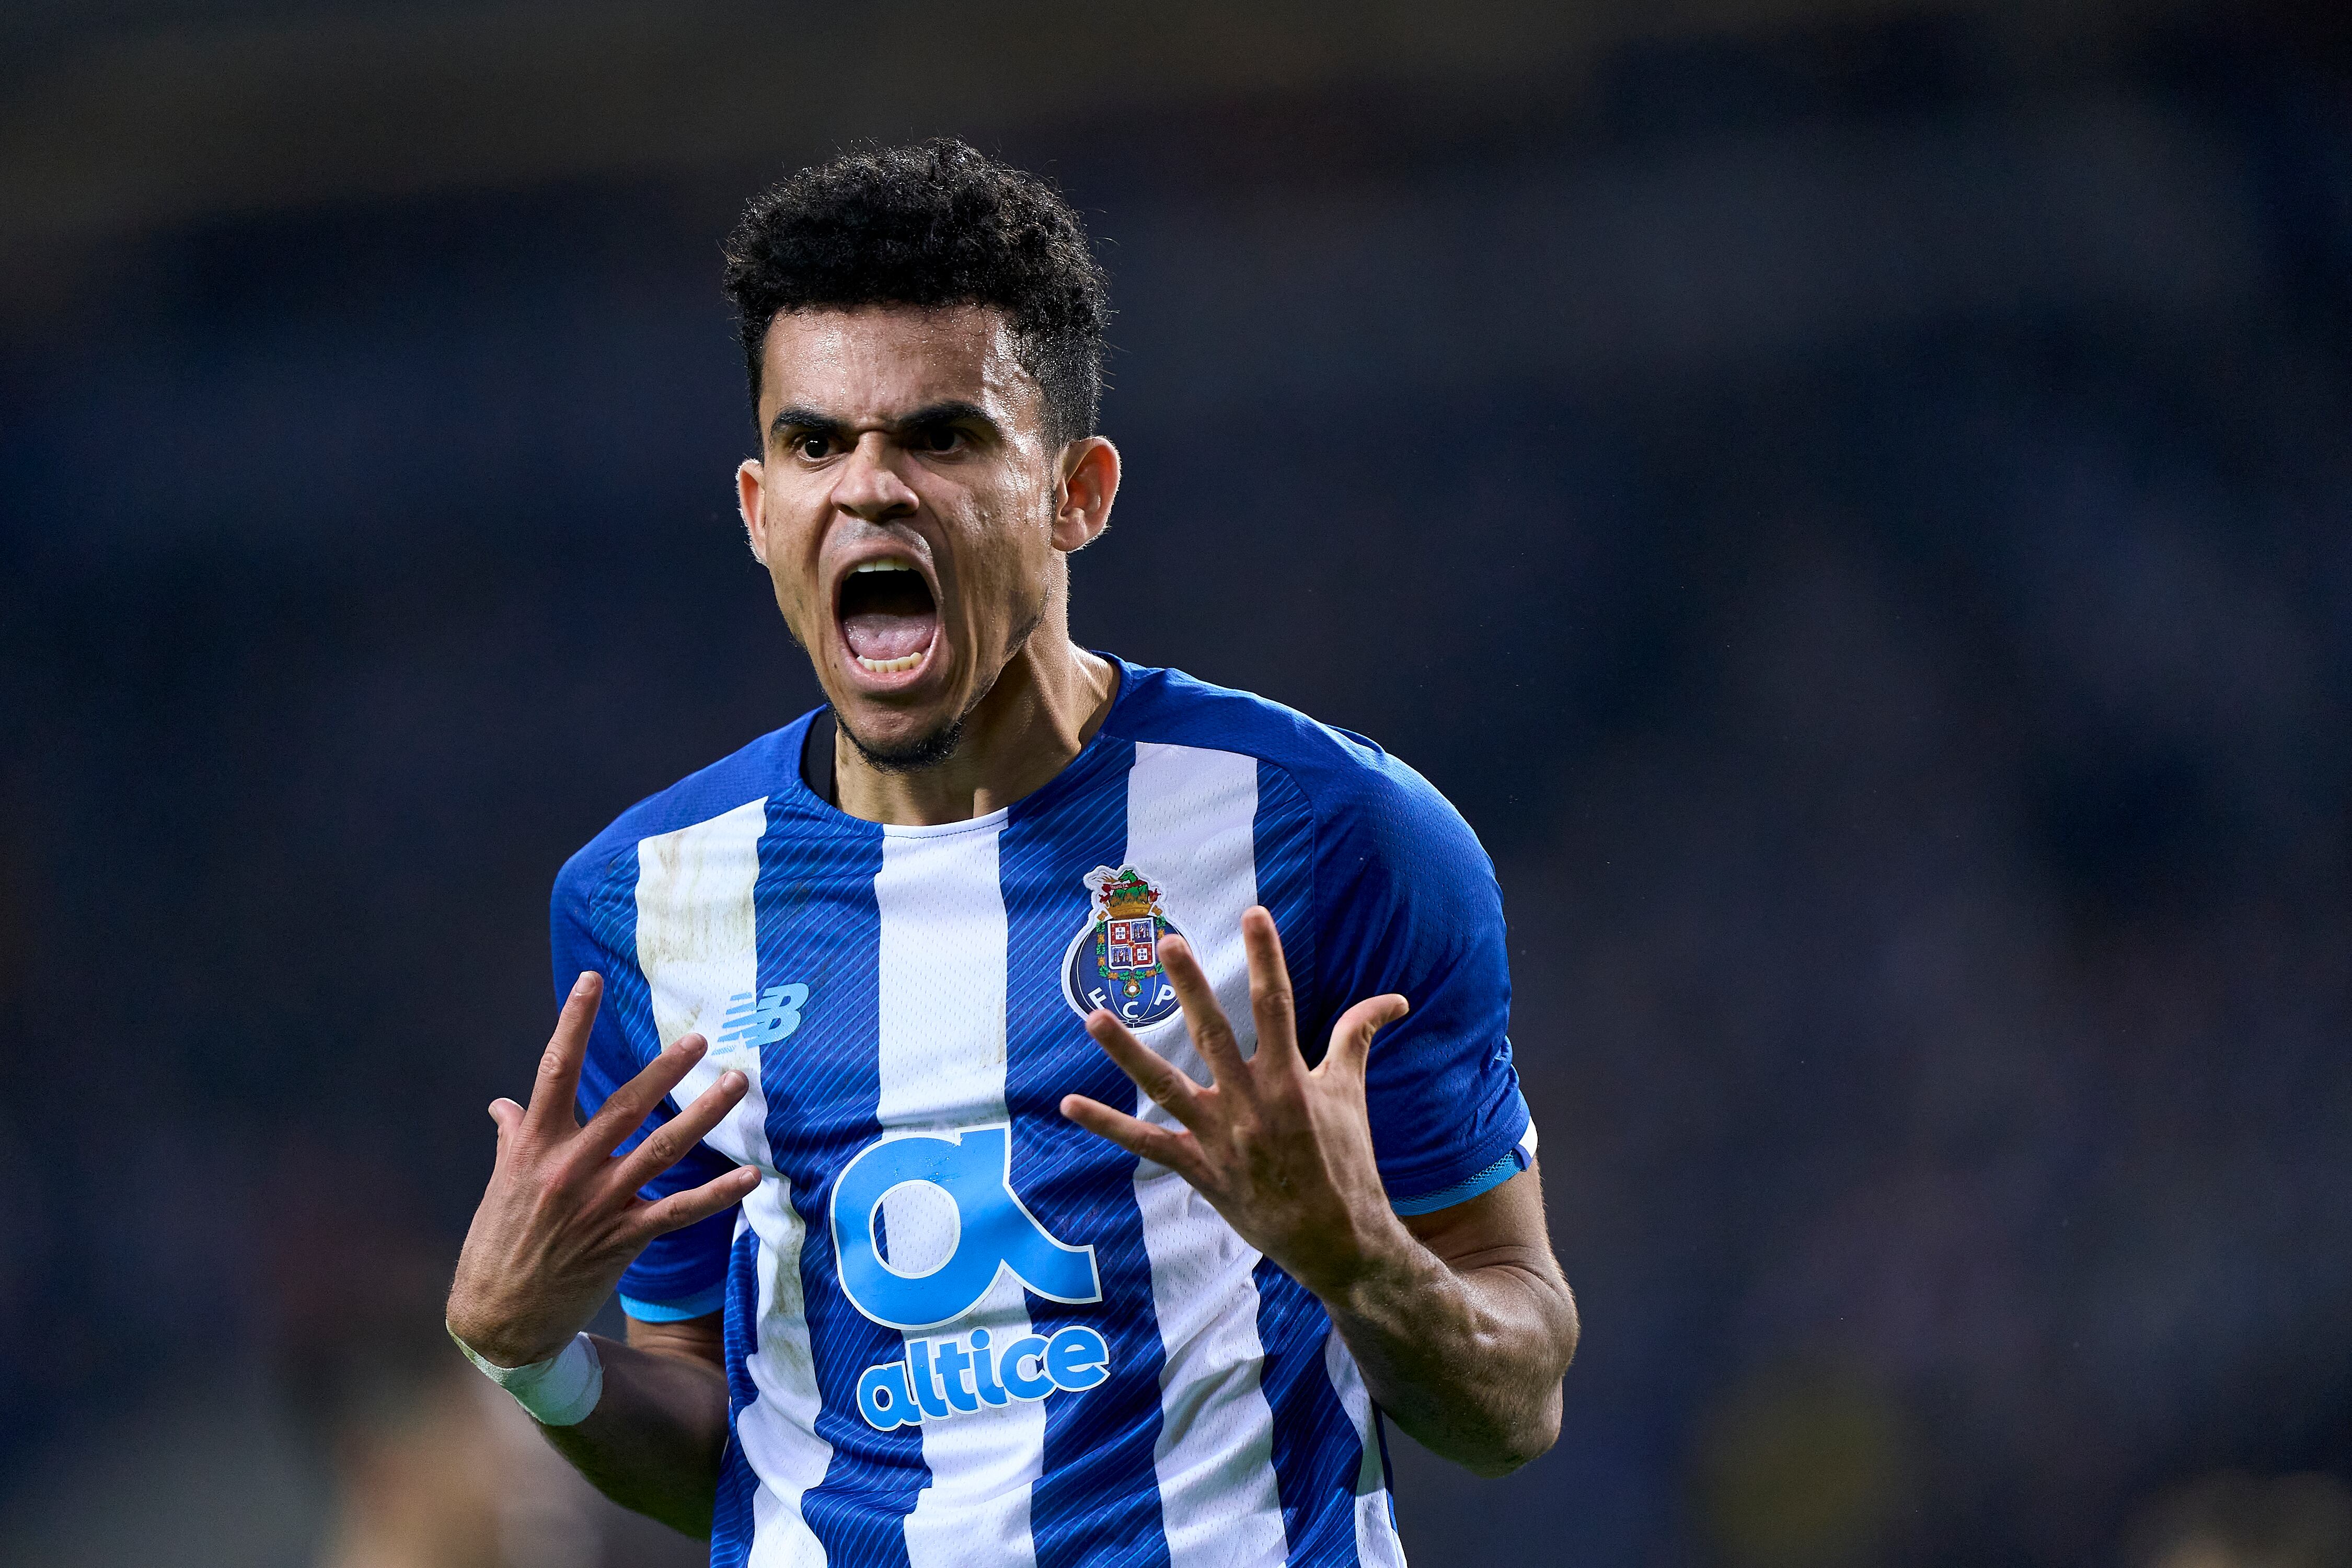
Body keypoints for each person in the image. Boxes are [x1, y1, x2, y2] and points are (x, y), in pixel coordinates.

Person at [445, 139, 1578, 1568]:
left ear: (1076, 494)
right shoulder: (647, 904)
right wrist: (532, 1361)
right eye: (815, 443)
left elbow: (1514, 1401)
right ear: (756, 511)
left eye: (941, 437)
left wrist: (1360, 1262)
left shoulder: (1330, 835)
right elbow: (732, 1450)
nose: (870, 489)